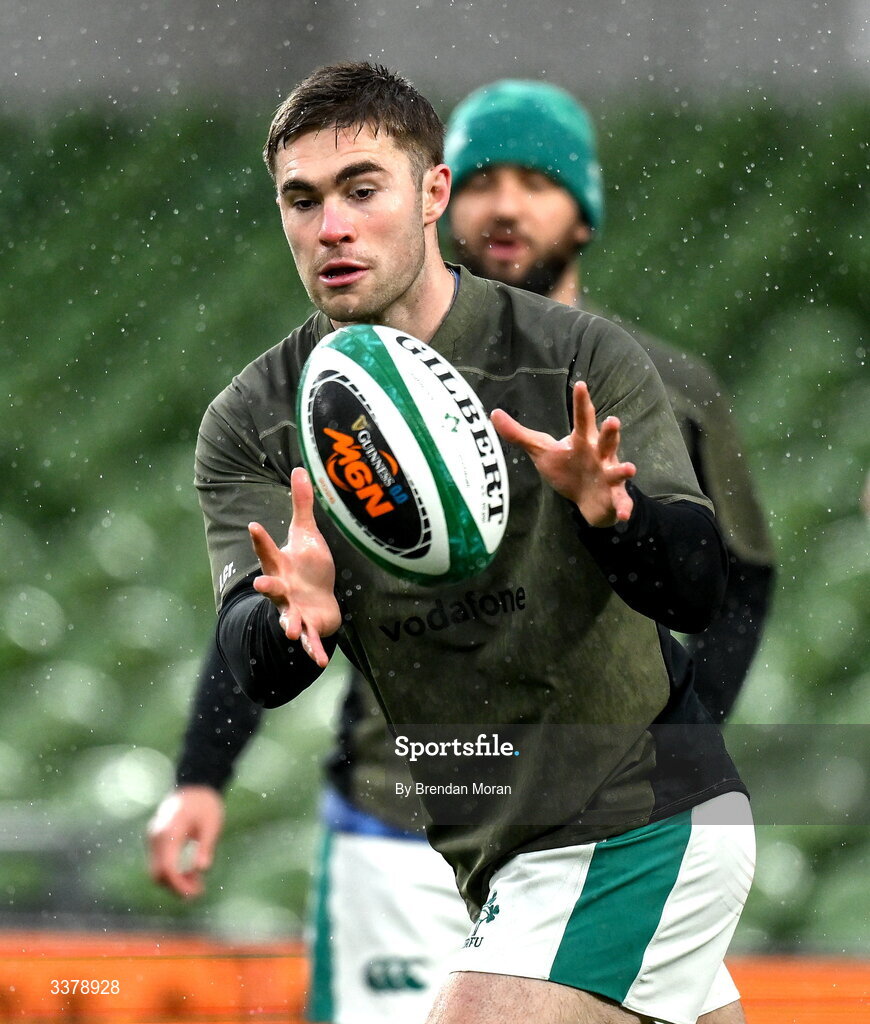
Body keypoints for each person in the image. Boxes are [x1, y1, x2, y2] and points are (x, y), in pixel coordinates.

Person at [148, 76, 774, 1024]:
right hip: (484, 852)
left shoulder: (580, 358)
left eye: (364, 190)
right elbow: (253, 653)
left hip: (641, 813)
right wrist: (288, 627)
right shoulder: (250, 422)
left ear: (434, 194)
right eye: (302, 199)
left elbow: (700, 590)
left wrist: (619, 520)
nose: (333, 227)